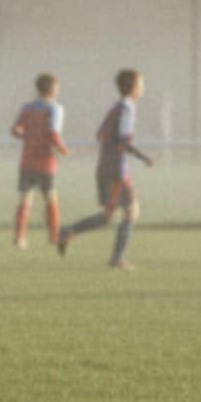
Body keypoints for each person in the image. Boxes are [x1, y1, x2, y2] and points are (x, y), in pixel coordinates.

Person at [59, 68, 153, 270]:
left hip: (104, 166)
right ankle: (117, 259)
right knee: (131, 211)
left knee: (109, 215)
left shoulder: (116, 108)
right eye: (141, 84)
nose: (143, 87)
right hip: (117, 169)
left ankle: (69, 231)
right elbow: (124, 141)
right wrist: (144, 157)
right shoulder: (128, 108)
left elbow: (100, 134)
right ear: (134, 87)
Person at [10, 73, 70, 250]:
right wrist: (63, 149)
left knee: (26, 198)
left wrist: (29, 137)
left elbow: (15, 130)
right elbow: (53, 133)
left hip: (27, 159)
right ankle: (54, 235)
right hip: (45, 160)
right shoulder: (54, 109)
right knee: (50, 197)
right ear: (52, 89)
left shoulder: (27, 108)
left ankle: (19, 237)